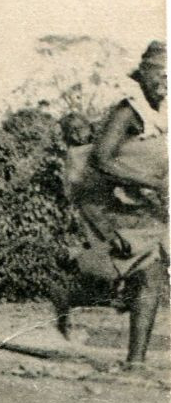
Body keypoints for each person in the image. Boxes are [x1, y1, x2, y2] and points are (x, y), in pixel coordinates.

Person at [65, 42, 167, 368]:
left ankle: (135, 361)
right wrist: (152, 183)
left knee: (150, 276)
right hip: (111, 205)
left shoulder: (160, 112)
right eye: (156, 73)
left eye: (168, 73)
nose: (163, 80)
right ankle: (134, 361)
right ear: (142, 76)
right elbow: (101, 160)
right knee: (148, 275)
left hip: (143, 207)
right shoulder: (129, 111)